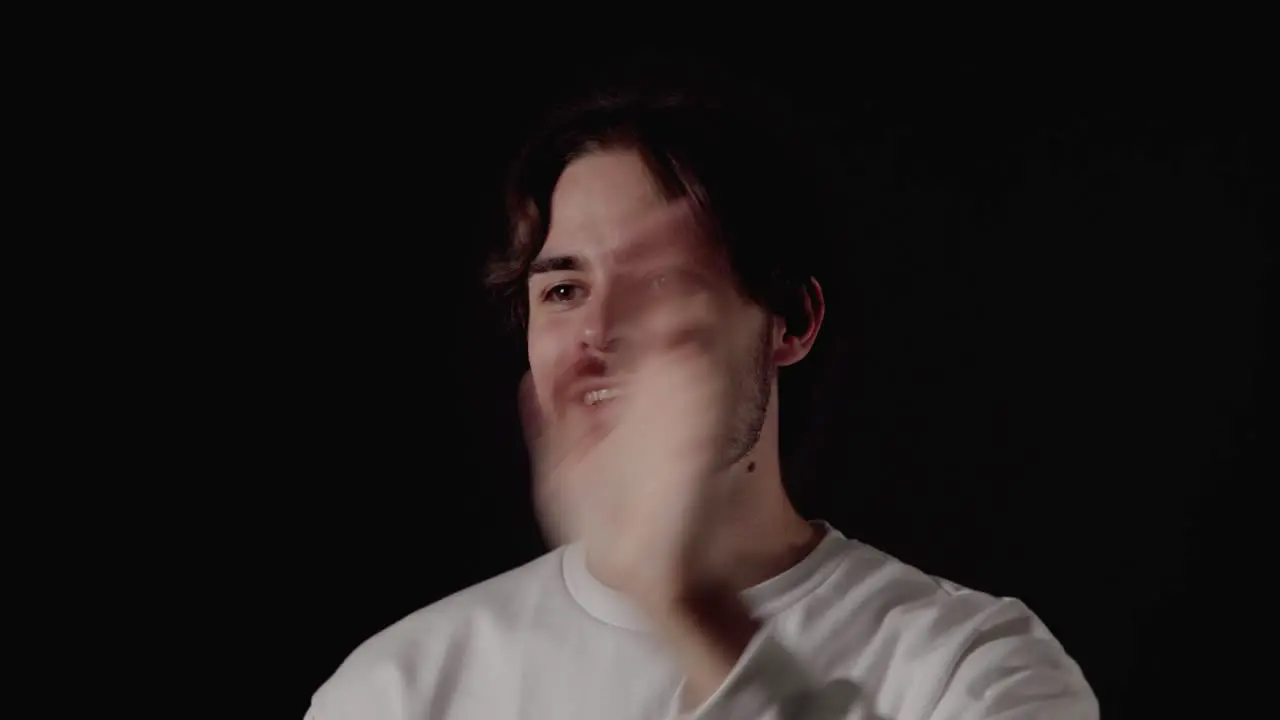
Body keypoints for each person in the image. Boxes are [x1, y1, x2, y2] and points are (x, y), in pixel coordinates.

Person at [304, 65, 1098, 720]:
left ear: (789, 321)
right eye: (563, 290)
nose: (600, 331)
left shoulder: (975, 668)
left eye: (661, 284)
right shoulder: (396, 689)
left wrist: (689, 608)